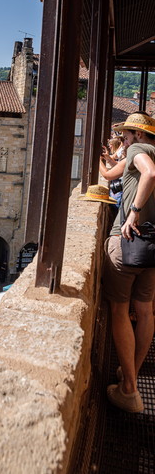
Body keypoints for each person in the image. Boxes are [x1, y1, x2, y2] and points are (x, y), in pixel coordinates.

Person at [103, 113, 155, 413]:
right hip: (153, 247)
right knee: (146, 312)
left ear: (139, 135)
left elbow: (148, 173)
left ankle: (129, 390)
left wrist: (134, 212)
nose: (123, 140)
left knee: (120, 310)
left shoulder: (139, 150)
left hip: (129, 243)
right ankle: (130, 375)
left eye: (127, 134)